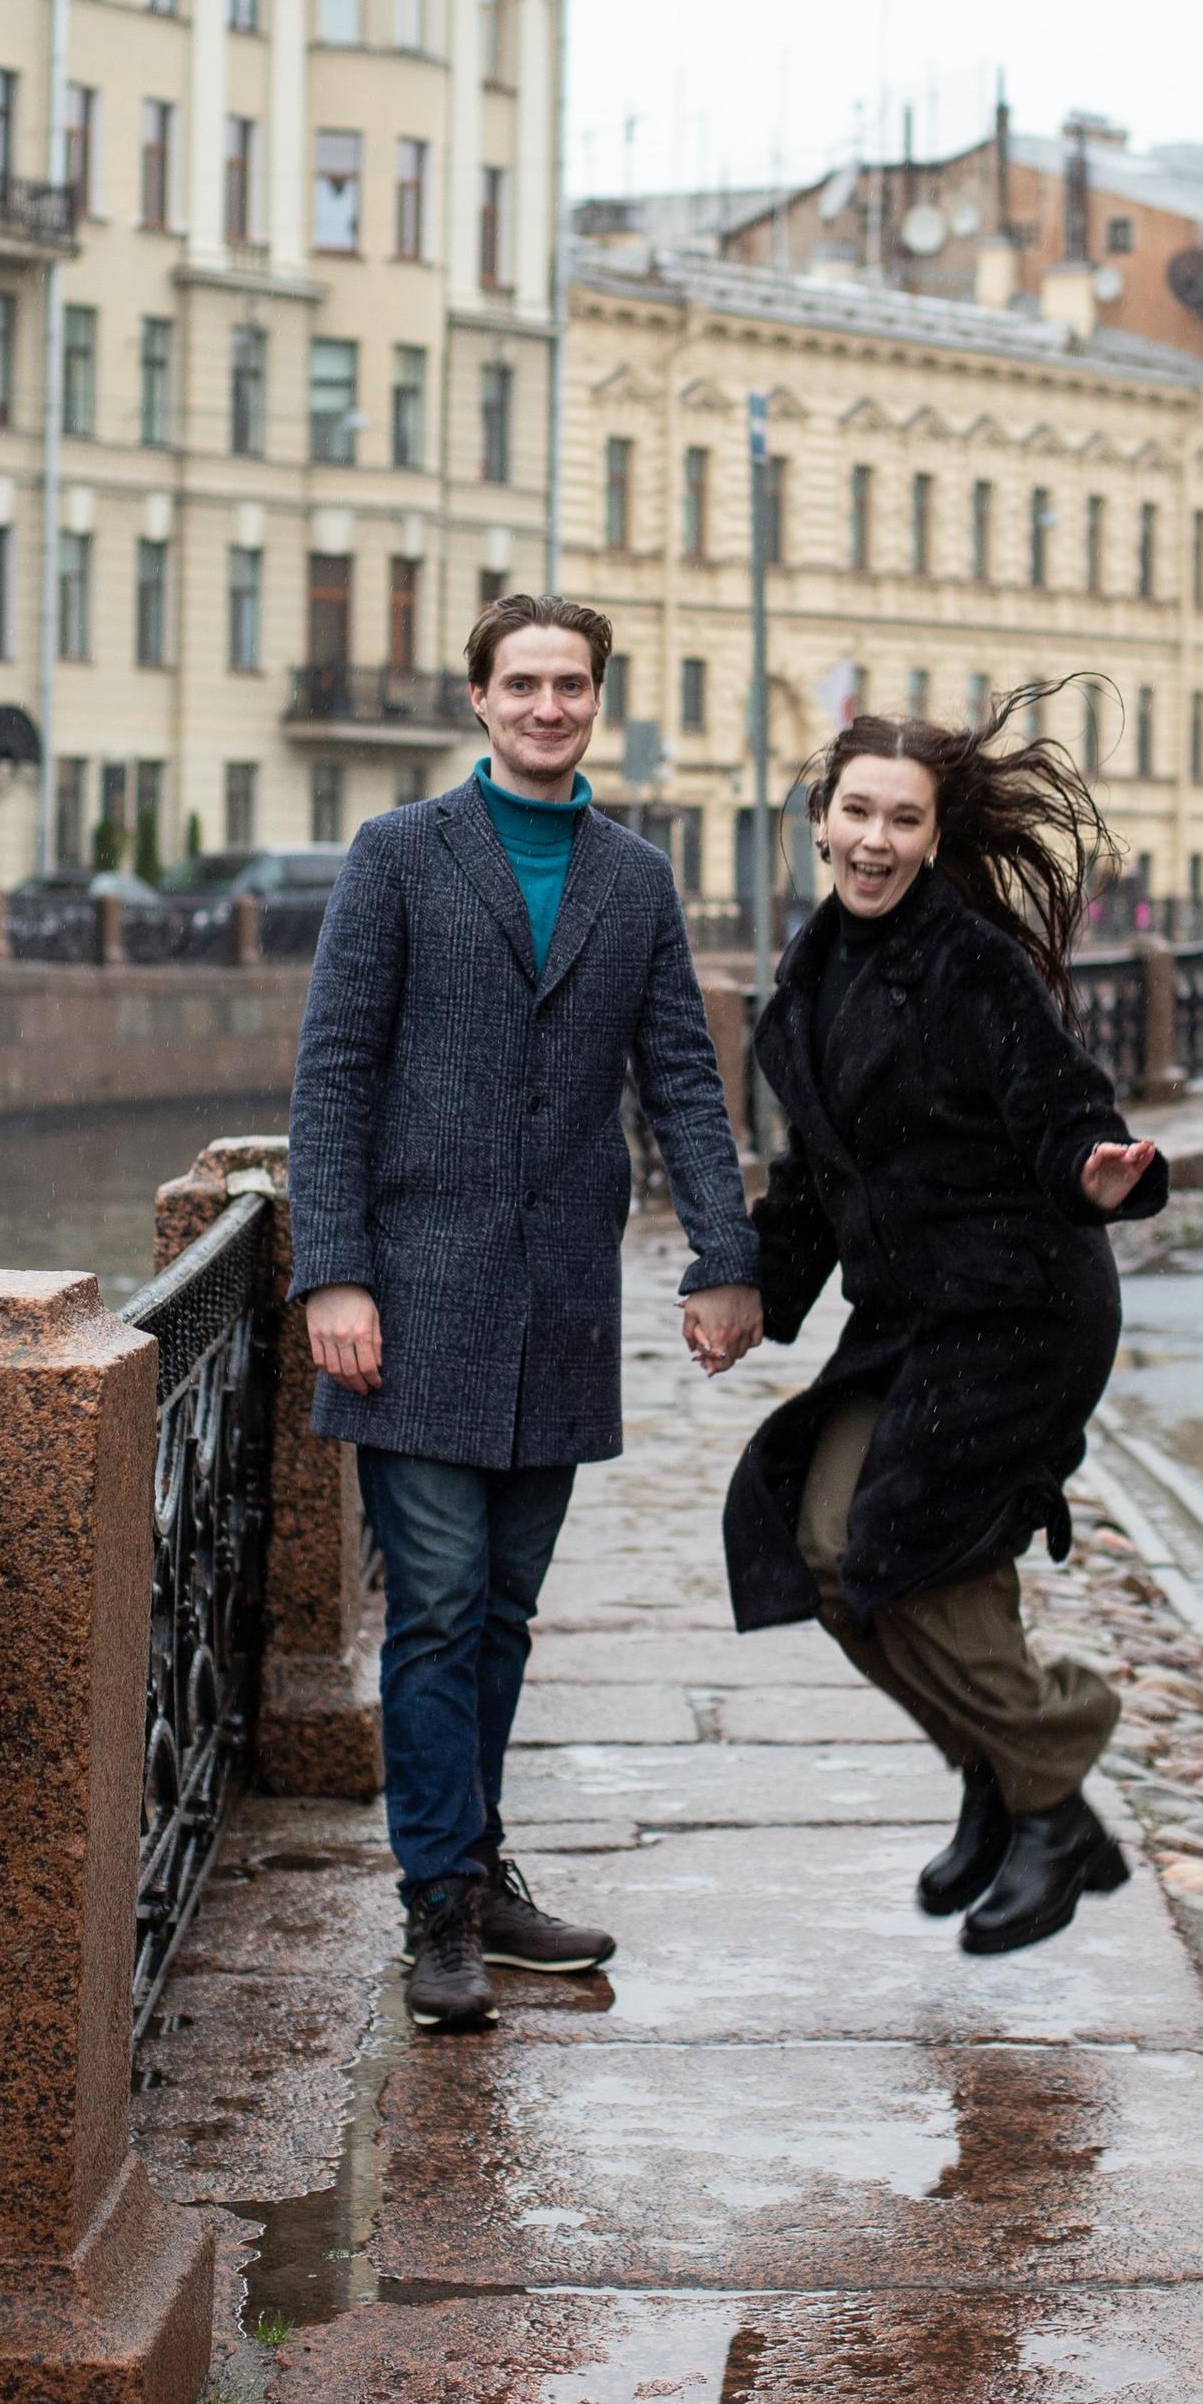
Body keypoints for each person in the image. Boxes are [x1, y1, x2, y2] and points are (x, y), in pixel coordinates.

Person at [290, 595, 763, 2031]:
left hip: (559, 1294)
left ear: (595, 701)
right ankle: (438, 1905)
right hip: (414, 1293)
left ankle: (476, 1874)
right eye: (524, 684)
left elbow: (681, 1073)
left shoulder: (635, 877)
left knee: (502, 1608)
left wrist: (723, 1256)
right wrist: (335, 1269)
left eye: (572, 685)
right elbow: (333, 1072)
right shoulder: (398, 856)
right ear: (481, 702)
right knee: (432, 1604)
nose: (549, 706)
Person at [722, 696, 1165, 1954]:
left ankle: (1050, 1778)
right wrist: (756, 1292)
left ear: (931, 836)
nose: (874, 839)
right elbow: (816, 1175)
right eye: (855, 812)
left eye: (901, 820)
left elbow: (1059, 1096)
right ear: (818, 822)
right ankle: (1004, 1778)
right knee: (819, 1539)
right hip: (913, 1315)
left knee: (908, 1553)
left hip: (1020, 1308)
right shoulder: (815, 974)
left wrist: (1093, 1166)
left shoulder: (969, 962)